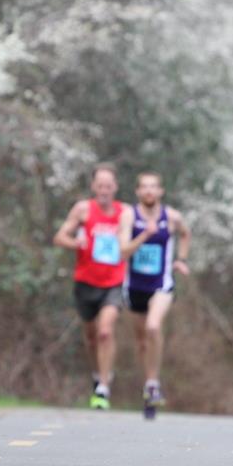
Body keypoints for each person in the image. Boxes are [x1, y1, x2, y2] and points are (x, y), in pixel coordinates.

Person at [53, 163, 154, 410]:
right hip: (86, 282)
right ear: (93, 187)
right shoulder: (83, 209)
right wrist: (76, 241)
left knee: (105, 331)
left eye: (109, 186)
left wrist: (141, 240)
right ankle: (98, 374)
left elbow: (131, 243)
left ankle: (104, 388)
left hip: (114, 282)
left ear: (116, 187)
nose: (104, 190)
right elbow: (59, 237)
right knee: (90, 335)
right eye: (100, 185)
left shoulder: (125, 213)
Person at [118, 171, 191, 419]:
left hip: (162, 284)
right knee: (141, 343)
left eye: (154, 187)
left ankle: (153, 385)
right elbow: (123, 252)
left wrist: (181, 259)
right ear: (138, 192)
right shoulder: (129, 216)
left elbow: (185, 234)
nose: (149, 191)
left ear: (161, 191)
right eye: (144, 187)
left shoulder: (171, 217)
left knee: (152, 327)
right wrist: (144, 235)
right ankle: (149, 384)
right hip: (135, 287)